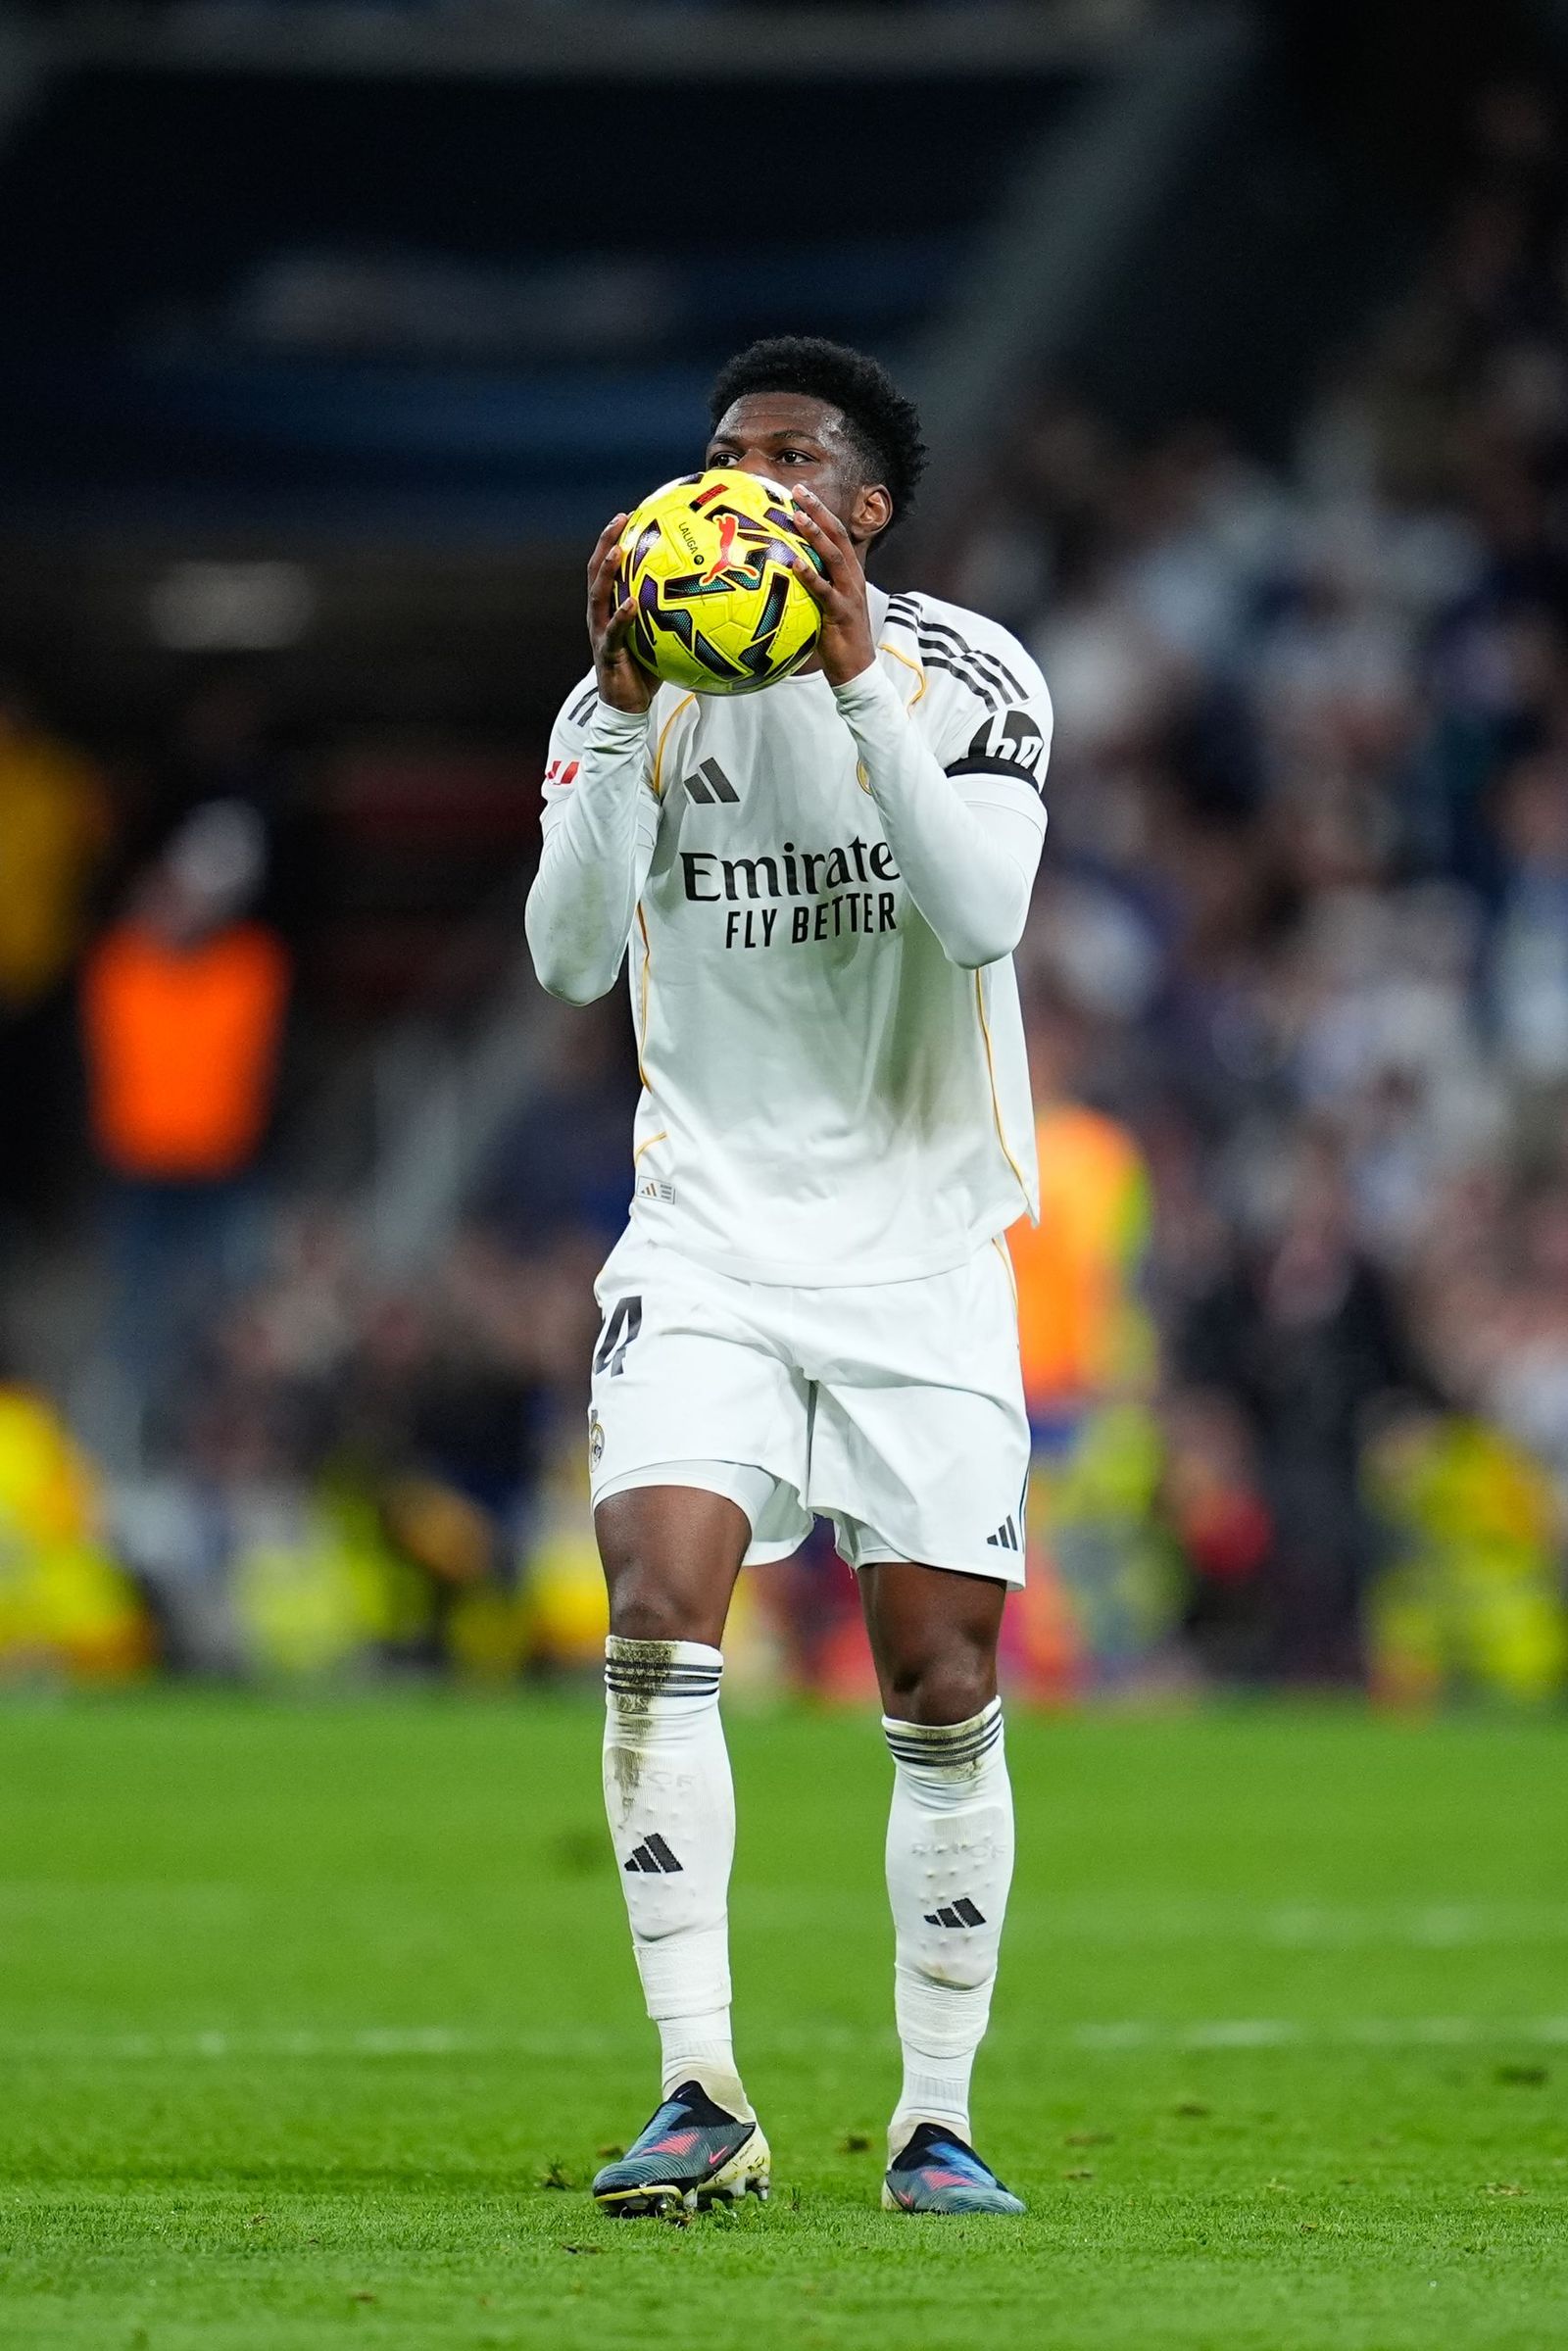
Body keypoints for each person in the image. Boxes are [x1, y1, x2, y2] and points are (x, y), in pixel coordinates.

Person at [525, 336, 1052, 2217]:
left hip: (922, 1249)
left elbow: (980, 914)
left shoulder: (972, 674)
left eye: (789, 457)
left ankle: (936, 2119)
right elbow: (570, 960)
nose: (741, 481)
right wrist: (610, 713)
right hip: (711, 1242)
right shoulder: (638, 689)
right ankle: (701, 2091)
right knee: (655, 1612)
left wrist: (850, 676)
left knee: (939, 1679)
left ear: (865, 508)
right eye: (722, 454)